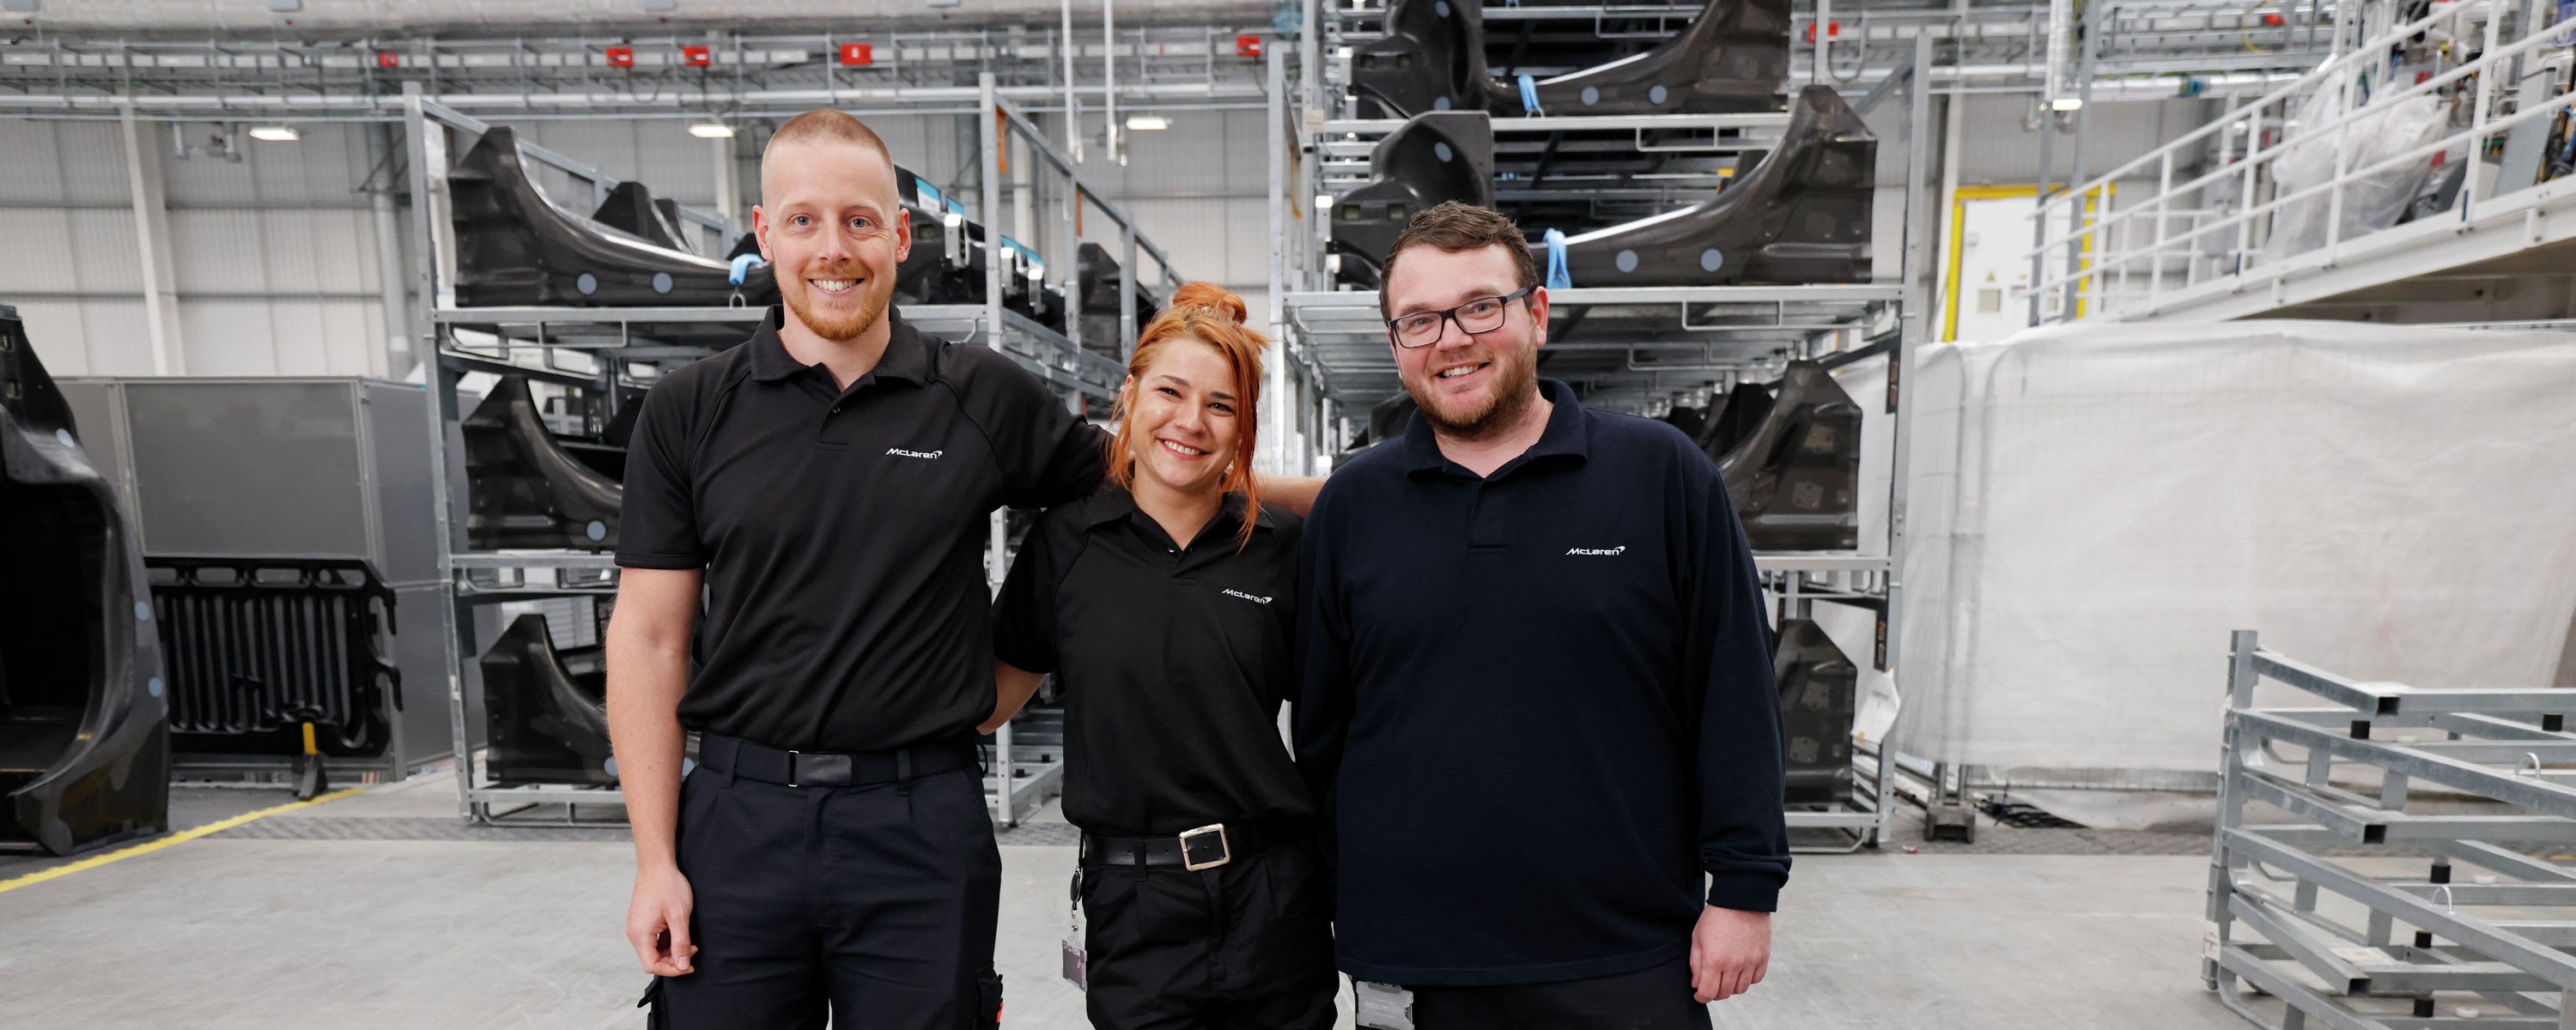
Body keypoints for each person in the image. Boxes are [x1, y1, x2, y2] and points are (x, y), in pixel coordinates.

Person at [606, 108, 1096, 1028]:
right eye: (803, 221)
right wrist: (654, 860)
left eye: (861, 221)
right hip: (735, 827)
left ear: (901, 236)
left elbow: (1124, 494)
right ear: (763, 234)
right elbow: (650, 635)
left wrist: (1016, 661)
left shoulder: (980, 395)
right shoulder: (688, 411)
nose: (834, 249)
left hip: (919, 825)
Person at [1293, 200, 1790, 1028]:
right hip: (1415, 955)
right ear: (1395, 345)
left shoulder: (1660, 475)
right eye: (1418, 320)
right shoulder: (1355, 504)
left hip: (1624, 951)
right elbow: (1323, 731)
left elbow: (1734, 690)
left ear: (1536, 314)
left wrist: (1744, 888)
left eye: (1478, 306)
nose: (1451, 339)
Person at [984, 282, 1337, 1030]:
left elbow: (1342, 723)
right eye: (1171, 392)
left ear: (1243, 428)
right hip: (1133, 904)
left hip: (1273, 894)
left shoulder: (1280, 548)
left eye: (1222, 406)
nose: (1190, 422)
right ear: (1130, 393)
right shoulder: (1067, 544)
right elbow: (987, 708)